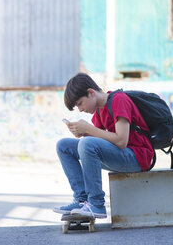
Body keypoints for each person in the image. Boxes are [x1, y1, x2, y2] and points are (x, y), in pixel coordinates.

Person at [53, 73, 154, 218]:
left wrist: (88, 130)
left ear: (91, 93)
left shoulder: (119, 100)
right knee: (64, 146)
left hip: (137, 157)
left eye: (80, 103)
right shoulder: (99, 112)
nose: (80, 109)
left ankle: (96, 204)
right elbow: (98, 144)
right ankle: (82, 200)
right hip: (121, 154)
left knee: (86, 143)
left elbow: (121, 141)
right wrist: (82, 133)